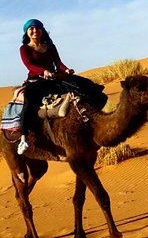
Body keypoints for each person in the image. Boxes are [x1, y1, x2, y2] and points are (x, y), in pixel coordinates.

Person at [18, 18, 106, 154]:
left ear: (42, 30)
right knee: (29, 103)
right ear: (27, 32)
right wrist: (43, 71)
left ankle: (95, 120)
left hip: (54, 79)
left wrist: (66, 70)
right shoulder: (24, 49)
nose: (35, 31)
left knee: (87, 87)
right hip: (36, 81)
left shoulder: (50, 46)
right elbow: (29, 65)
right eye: (31, 29)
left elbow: (58, 63)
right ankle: (24, 138)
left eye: (37, 28)